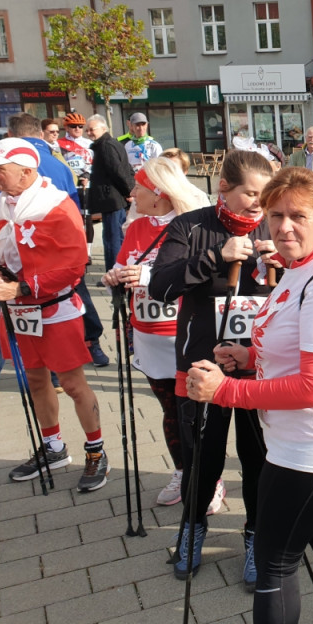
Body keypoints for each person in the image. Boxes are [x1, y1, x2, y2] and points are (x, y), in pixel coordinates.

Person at [185, 166, 313, 624]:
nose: (284, 227)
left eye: (298, 216)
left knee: (274, 563)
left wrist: (225, 391)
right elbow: (305, 351)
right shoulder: (304, 265)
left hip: (311, 445)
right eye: (275, 215)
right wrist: (251, 358)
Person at [148, 150, 274, 586]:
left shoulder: (274, 224)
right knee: (204, 455)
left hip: (258, 364)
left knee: (259, 456)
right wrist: (216, 256)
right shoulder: (192, 224)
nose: (258, 204)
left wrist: (285, 265)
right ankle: (193, 525)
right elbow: (162, 286)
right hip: (203, 362)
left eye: (265, 195)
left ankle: (258, 535)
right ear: (224, 187)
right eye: (250, 194)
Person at [0, 138, 112, 492]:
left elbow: (74, 267)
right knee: (35, 380)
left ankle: (96, 449)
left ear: (26, 171)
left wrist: (20, 288)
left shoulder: (56, 206)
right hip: (17, 311)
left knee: (71, 383)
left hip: (54, 309)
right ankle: (53, 447)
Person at [0, 114, 91, 399]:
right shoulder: (59, 164)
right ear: (40, 133)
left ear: (11, 133)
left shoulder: (11, 167)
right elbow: (76, 212)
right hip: (50, 274)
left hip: (26, 281)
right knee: (43, 344)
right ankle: (52, 376)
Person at [101, 157, 203, 506]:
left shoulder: (191, 226)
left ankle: (208, 478)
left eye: (138, 188)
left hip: (184, 335)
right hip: (148, 334)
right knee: (169, 411)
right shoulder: (136, 227)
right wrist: (114, 277)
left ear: (158, 195)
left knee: (193, 413)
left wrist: (147, 276)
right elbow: (120, 265)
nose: (130, 194)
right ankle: (181, 472)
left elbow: (198, 275)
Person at [87, 114, 135, 272]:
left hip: (112, 199)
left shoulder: (106, 145)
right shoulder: (108, 143)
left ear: (103, 128)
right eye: (87, 130)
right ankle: (116, 271)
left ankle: (114, 273)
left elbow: (118, 171)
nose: (89, 133)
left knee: (112, 239)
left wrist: (129, 191)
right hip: (112, 198)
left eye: (92, 129)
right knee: (113, 237)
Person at [58, 112, 94, 185]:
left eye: (80, 126)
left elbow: (95, 164)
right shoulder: (58, 143)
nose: (77, 129)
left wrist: (87, 176)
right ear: (66, 128)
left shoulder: (90, 143)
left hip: (86, 182)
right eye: (73, 126)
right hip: (67, 182)